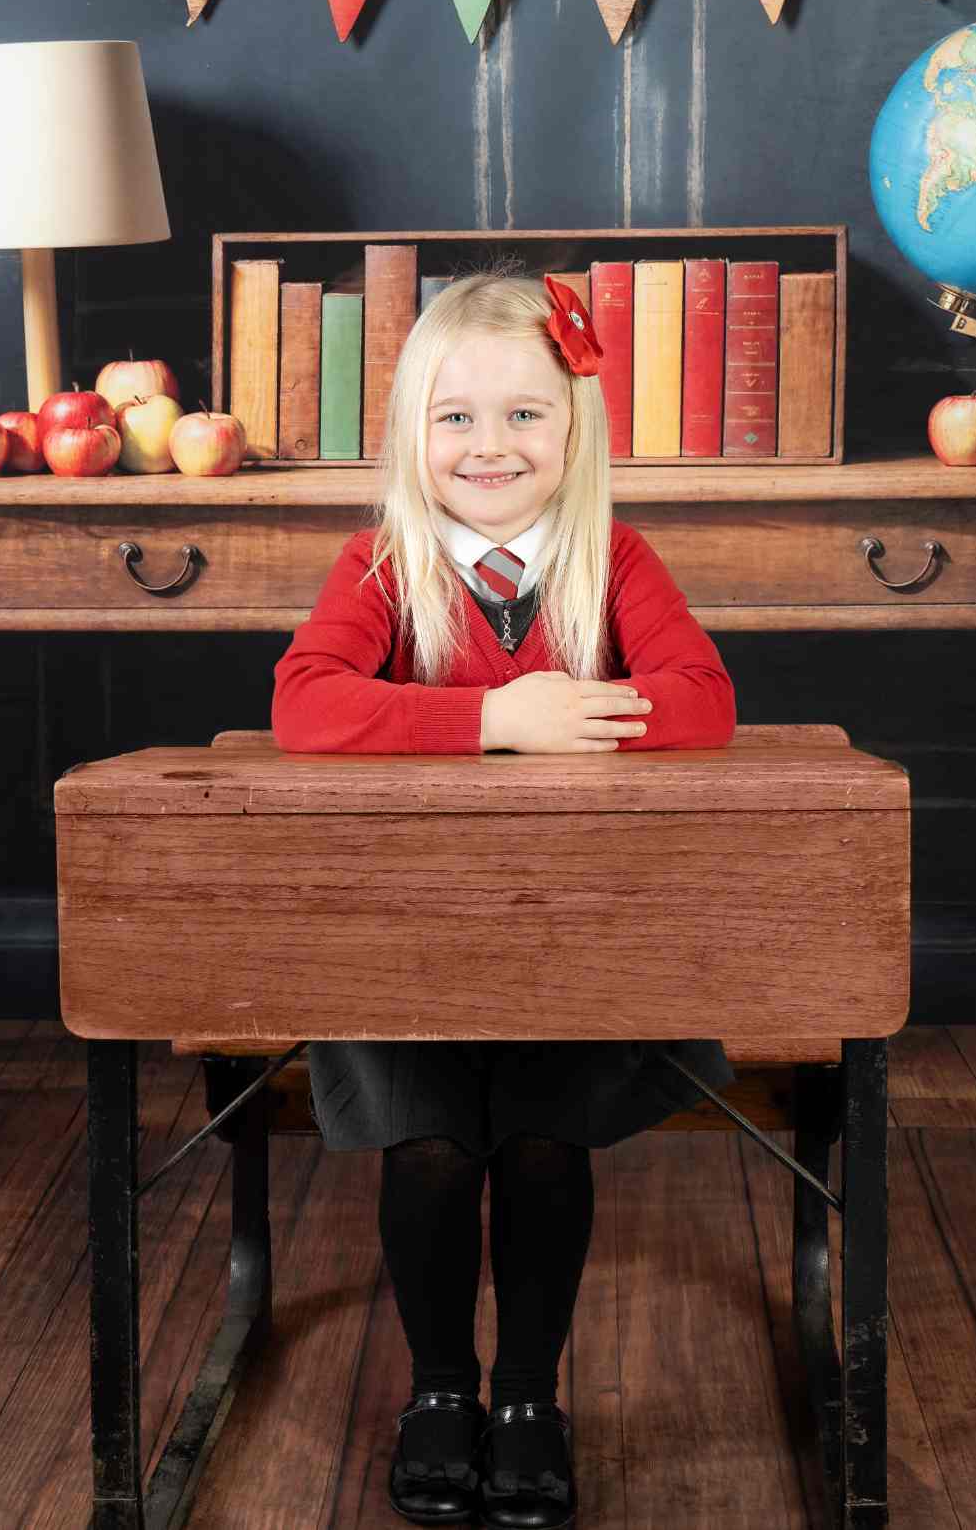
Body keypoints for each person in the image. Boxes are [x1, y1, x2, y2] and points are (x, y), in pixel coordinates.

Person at [271, 268, 737, 1528]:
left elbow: (703, 702)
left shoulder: (611, 559)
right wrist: (488, 716)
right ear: (412, 433)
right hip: (400, 944)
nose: (491, 446)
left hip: (580, 940)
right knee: (427, 1139)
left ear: (575, 430)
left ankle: (528, 1395)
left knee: (539, 1135)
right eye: (458, 416)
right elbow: (305, 705)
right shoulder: (382, 563)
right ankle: (439, 1390)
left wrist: (565, 719)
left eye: (526, 415)